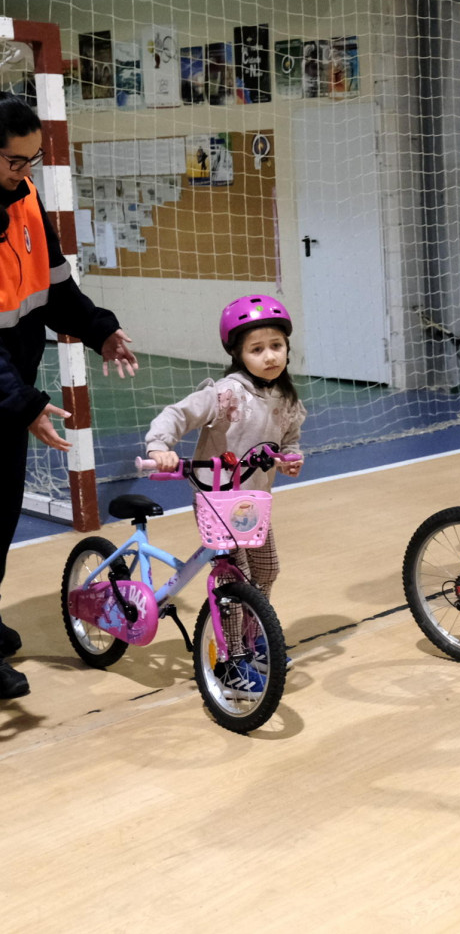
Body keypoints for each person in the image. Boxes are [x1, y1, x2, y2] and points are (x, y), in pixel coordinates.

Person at [0, 93, 138, 700]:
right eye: (13, 162)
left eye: (33, 160)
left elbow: (57, 290)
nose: (24, 173)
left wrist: (101, 329)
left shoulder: (26, 199)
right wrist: (23, 401)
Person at [146, 294, 305, 698]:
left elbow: (291, 441)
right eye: (257, 349)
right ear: (237, 354)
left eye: (276, 346)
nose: (269, 356)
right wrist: (159, 446)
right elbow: (177, 415)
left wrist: (290, 459)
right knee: (236, 580)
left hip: (253, 503)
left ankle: (253, 640)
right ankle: (230, 659)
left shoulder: (286, 399)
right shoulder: (225, 394)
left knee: (267, 572)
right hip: (218, 501)